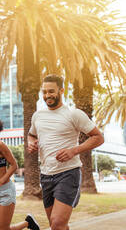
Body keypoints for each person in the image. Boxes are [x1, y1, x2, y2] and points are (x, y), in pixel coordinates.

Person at [27, 74, 104, 230]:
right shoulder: (37, 116)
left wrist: (73, 151)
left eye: (51, 91)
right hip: (46, 175)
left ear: (61, 90)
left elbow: (98, 137)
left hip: (68, 173)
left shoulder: (74, 114)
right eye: (44, 92)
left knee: (57, 223)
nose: (47, 95)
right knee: (57, 225)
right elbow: (31, 134)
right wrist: (31, 143)